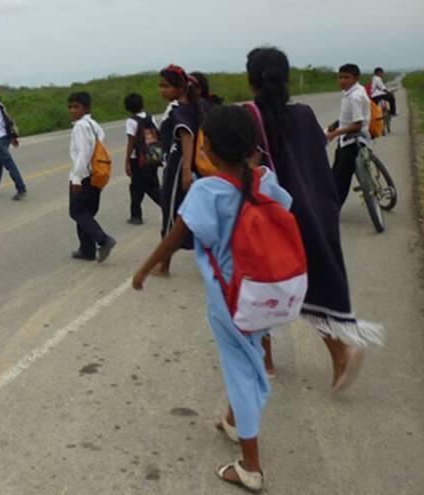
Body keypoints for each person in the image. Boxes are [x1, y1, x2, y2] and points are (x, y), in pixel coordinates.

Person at [133, 105, 291, 492]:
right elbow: (286, 209)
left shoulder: (208, 189)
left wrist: (144, 269)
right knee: (249, 353)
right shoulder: (265, 181)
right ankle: (234, 421)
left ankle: (250, 465)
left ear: (209, 151)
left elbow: (175, 234)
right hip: (265, 290)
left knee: (240, 368)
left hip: (229, 295)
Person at [246, 47, 384, 389]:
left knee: (256, 288)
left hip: (272, 218)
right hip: (311, 213)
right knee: (310, 286)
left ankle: (265, 362)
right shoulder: (306, 114)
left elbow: (248, 172)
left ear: (251, 79)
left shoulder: (250, 117)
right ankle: (339, 354)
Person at [156, 64, 201, 275]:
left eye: (166, 86)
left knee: (171, 215)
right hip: (176, 167)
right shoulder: (190, 107)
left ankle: (164, 266)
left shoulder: (179, 111)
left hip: (176, 171)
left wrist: (184, 171)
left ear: (180, 88)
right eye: (160, 86)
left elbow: (187, 137)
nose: (162, 90)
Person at [67, 91, 117, 262]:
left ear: (86, 108)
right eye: (70, 107)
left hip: (85, 175)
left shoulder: (81, 126)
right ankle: (87, 250)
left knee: (77, 211)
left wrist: (76, 179)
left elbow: (83, 154)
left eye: (76, 107)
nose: (72, 110)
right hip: (96, 174)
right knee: (87, 212)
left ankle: (103, 240)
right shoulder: (94, 125)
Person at [326, 63, 371, 208]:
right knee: (335, 173)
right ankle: (330, 204)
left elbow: (357, 124)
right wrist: (335, 125)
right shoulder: (353, 92)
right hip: (345, 140)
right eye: (340, 77)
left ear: (356, 78)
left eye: (347, 77)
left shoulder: (354, 97)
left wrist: (335, 133)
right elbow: (348, 117)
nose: (343, 80)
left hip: (353, 141)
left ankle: (333, 209)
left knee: (341, 179)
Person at [123, 93, 161, 225]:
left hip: (138, 159)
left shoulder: (131, 121)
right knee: (138, 187)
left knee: (148, 188)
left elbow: (131, 142)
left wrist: (127, 161)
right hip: (153, 155)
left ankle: (170, 208)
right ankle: (135, 214)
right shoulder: (151, 118)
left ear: (128, 108)